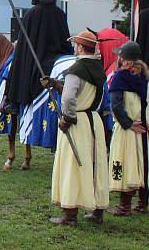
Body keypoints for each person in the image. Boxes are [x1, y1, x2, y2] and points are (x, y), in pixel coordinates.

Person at [43, 30, 108, 226]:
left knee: (73, 166)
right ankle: (97, 211)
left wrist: (67, 119)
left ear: (80, 47)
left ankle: (69, 215)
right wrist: (56, 84)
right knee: (95, 164)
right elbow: (82, 92)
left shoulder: (76, 69)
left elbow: (70, 97)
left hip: (77, 122)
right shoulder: (98, 68)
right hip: (93, 121)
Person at [107, 41, 149, 216]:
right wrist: (143, 123)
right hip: (141, 126)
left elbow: (116, 105)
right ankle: (143, 204)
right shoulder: (144, 76)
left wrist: (127, 123)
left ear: (126, 60)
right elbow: (147, 103)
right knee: (142, 165)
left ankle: (124, 206)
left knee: (124, 163)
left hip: (127, 128)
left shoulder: (120, 77)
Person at [6, 0, 73, 106]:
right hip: (59, 53)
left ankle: (10, 101)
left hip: (36, 57)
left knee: (14, 66)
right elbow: (65, 37)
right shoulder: (60, 13)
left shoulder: (31, 13)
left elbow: (23, 45)